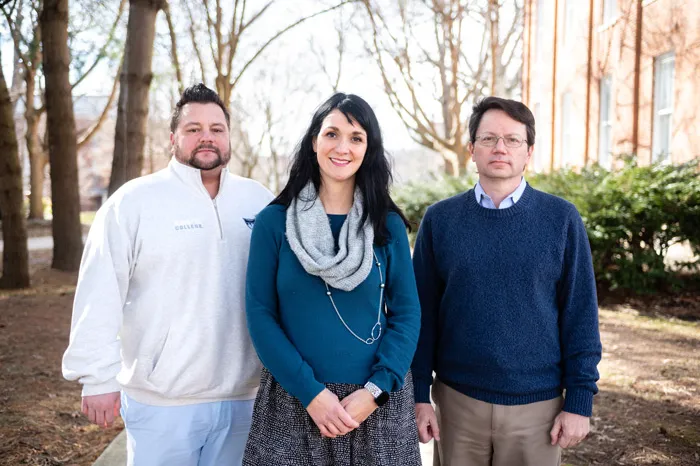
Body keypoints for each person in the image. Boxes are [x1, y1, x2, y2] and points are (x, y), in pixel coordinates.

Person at [62, 83, 274, 466]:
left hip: (246, 396)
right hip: (163, 402)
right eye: (194, 129)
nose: (206, 137)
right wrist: (97, 377)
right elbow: (101, 290)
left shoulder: (259, 200)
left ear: (229, 137)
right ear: (173, 138)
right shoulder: (134, 202)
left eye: (217, 128)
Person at [411, 96, 602, 466]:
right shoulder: (440, 220)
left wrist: (580, 401)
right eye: (489, 139)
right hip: (456, 403)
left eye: (513, 140)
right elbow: (421, 317)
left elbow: (580, 315)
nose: (501, 148)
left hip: (538, 410)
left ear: (528, 151)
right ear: (471, 149)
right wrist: (419, 394)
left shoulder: (561, 219)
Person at [242, 93, 422, 465]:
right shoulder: (274, 223)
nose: (343, 147)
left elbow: (406, 315)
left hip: (376, 404)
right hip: (294, 401)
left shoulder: (386, 226)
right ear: (314, 142)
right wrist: (310, 393)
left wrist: (375, 392)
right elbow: (260, 315)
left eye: (356, 137)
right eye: (332, 134)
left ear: (369, 149)